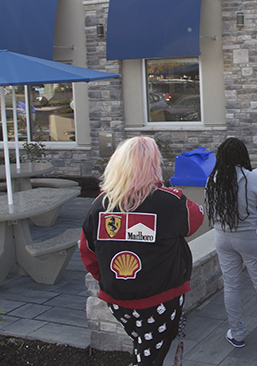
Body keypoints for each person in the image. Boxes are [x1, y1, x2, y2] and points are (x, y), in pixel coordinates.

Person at [80, 136, 205, 366]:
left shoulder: (100, 205)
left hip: (117, 298)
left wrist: (110, 279)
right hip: (161, 298)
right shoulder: (170, 202)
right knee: (151, 356)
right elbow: (196, 219)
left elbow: (87, 252)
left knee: (144, 344)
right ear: (153, 165)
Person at [205, 137, 257, 353]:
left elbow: (210, 213)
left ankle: (237, 333)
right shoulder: (252, 179)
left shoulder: (212, 180)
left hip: (222, 238)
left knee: (231, 285)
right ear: (243, 155)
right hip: (250, 238)